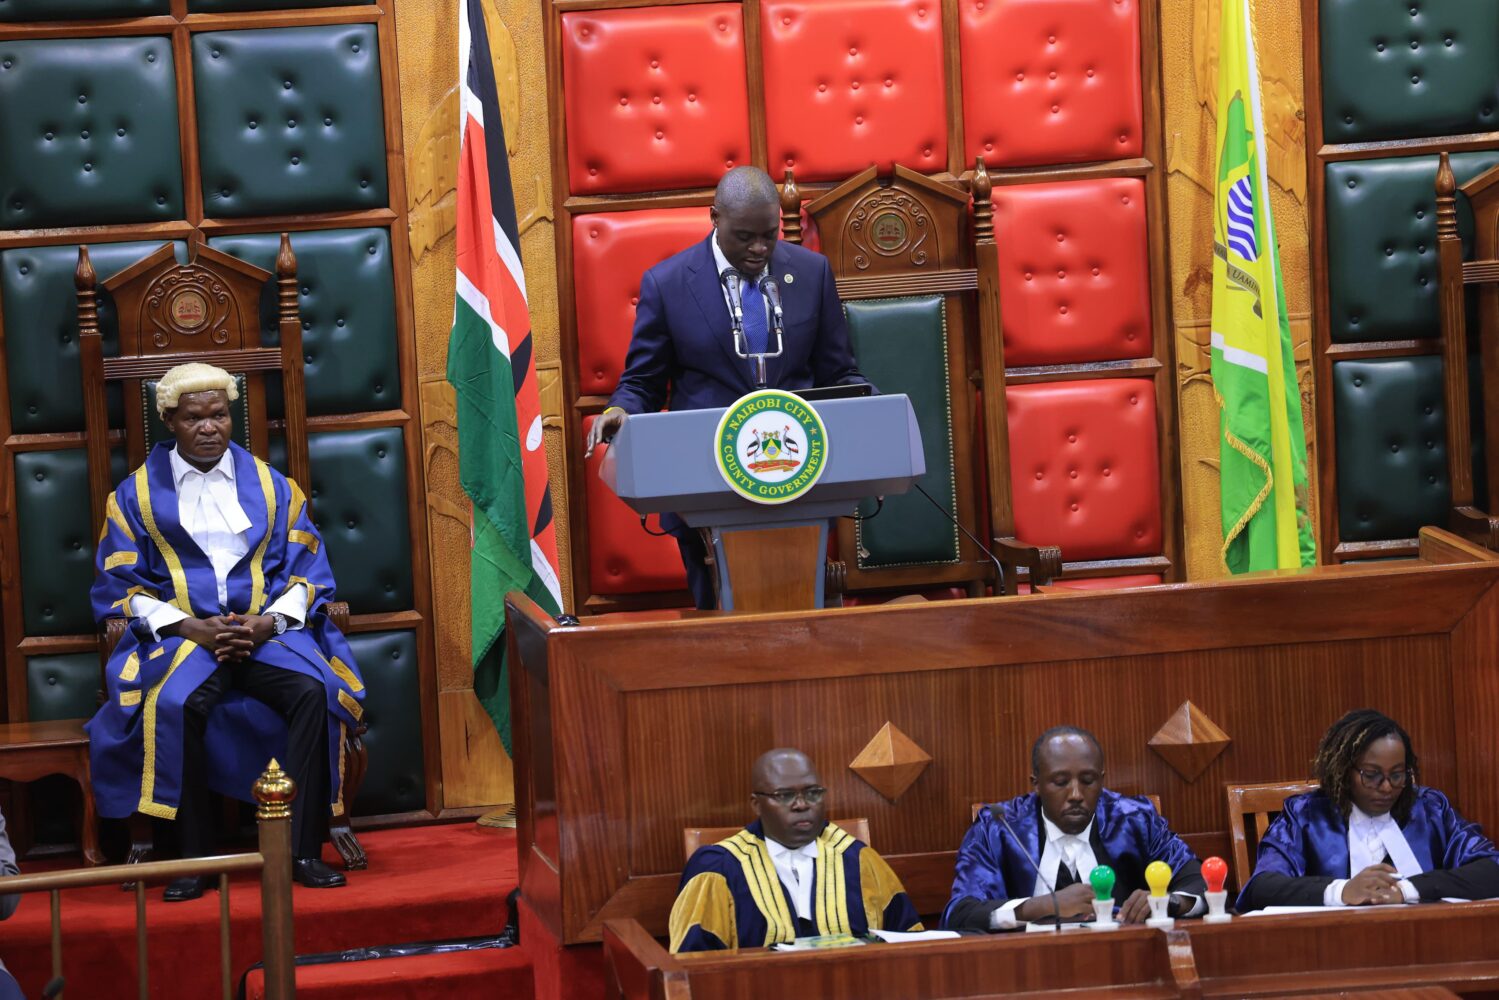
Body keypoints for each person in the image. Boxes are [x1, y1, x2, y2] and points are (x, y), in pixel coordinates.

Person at [87, 363, 364, 900]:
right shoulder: (133, 497)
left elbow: (309, 574)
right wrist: (191, 626)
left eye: (219, 415)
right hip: (182, 639)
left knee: (313, 692)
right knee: (175, 705)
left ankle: (302, 852)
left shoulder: (275, 488)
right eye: (194, 418)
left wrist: (267, 623)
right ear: (170, 420)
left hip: (267, 634)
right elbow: (120, 587)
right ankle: (194, 859)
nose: (209, 427)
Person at [583, 166, 870, 608]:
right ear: (714, 217)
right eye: (745, 237)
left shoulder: (810, 273)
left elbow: (838, 372)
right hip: (704, 489)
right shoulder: (668, 284)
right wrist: (619, 411)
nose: (759, 249)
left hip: (797, 483)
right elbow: (642, 382)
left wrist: (866, 404)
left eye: (769, 235)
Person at [944, 726, 1206, 930]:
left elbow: (1200, 882)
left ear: (1102, 780)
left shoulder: (1135, 819)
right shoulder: (998, 828)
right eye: (1060, 782)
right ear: (1036, 784)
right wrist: (1042, 906)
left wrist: (1168, 902)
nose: (1076, 795)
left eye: (1088, 781)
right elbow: (960, 913)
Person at [1236, 709, 1499, 911]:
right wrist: (1342, 891)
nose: (1387, 787)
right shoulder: (1305, 815)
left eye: (1397, 774)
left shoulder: (1429, 809)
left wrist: (1407, 889)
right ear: (1343, 772)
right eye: (1371, 775)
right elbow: (1262, 887)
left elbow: (1492, 868)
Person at [668, 748, 921, 951]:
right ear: (756, 804)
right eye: (785, 795)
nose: (801, 805)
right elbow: (694, 966)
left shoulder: (858, 859)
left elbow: (911, 945)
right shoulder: (718, 869)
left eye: (812, 793)